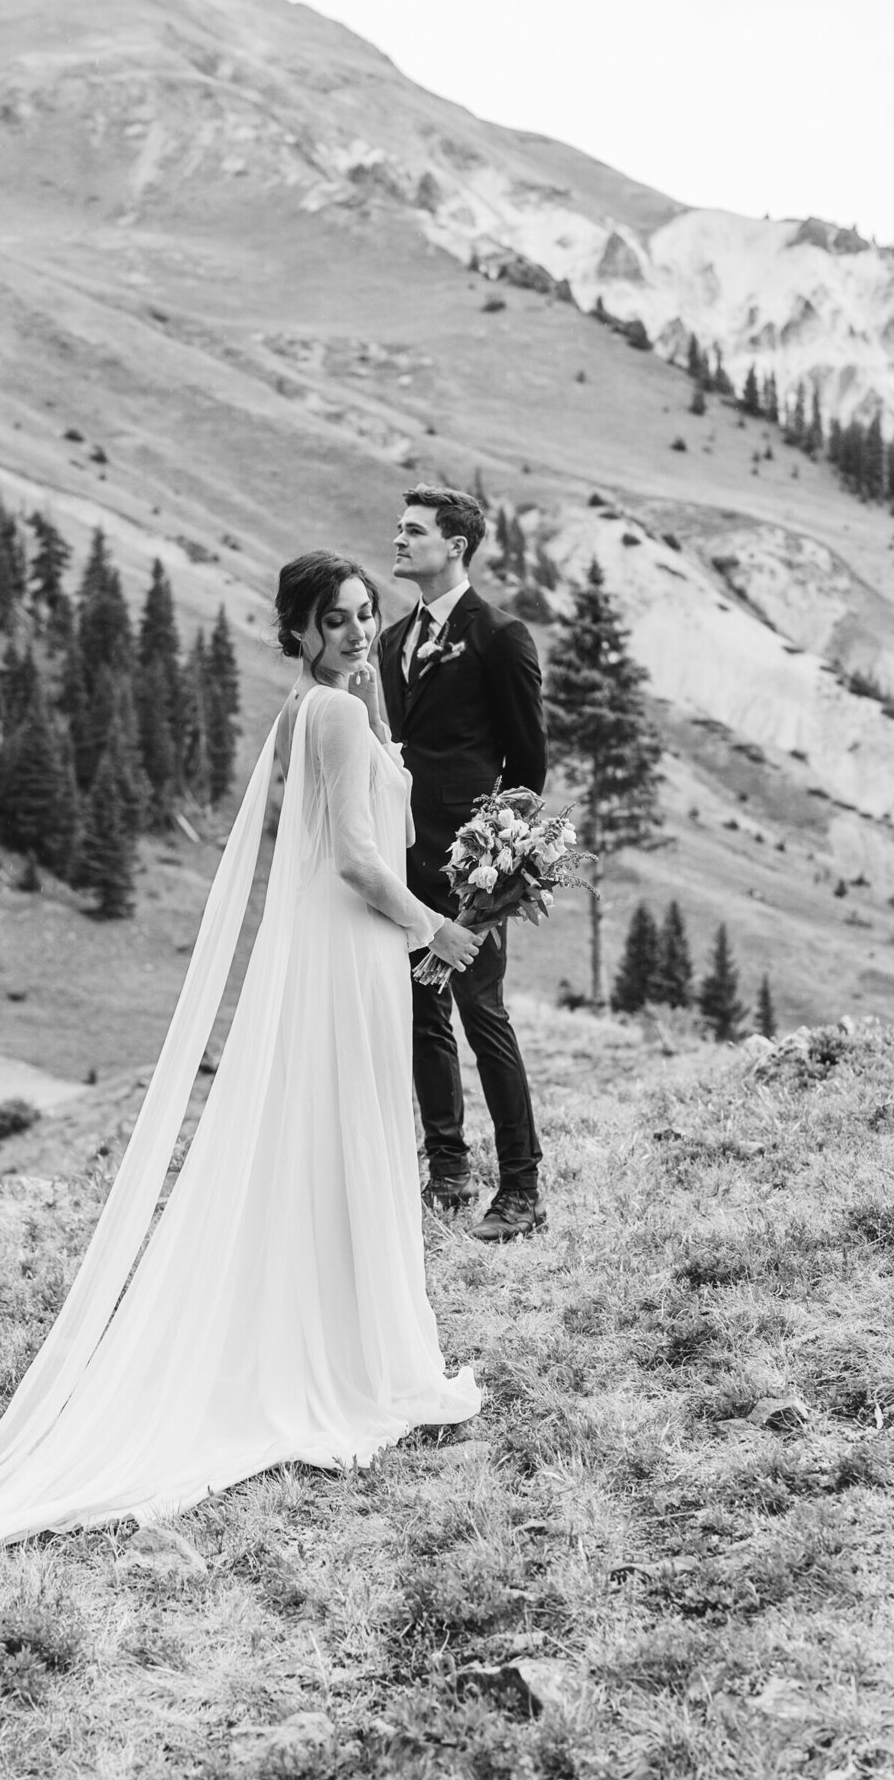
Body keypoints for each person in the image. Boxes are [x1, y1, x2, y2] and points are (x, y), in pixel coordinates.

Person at [0, 551, 480, 1621]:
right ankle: (366, 1359)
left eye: (364, 614)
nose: (354, 630)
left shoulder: (335, 707)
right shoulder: (333, 715)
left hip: (349, 957)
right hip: (351, 952)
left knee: (347, 1139)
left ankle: (355, 1344)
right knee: (358, 1136)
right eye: (334, 619)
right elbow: (350, 858)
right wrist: (438, 925)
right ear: (296, 633)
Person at [377, 487, 549, 1243]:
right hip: (402, 855)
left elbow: (529, 767)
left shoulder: (500, 636)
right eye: (400, 528)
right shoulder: (389, 639)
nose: (399, 538)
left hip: (471, 866)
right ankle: (446, 1170)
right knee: (421, 1015)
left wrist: (496, 868)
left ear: (455, 545)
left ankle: (521, 1187)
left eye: (414, 531)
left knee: (484, 1016)